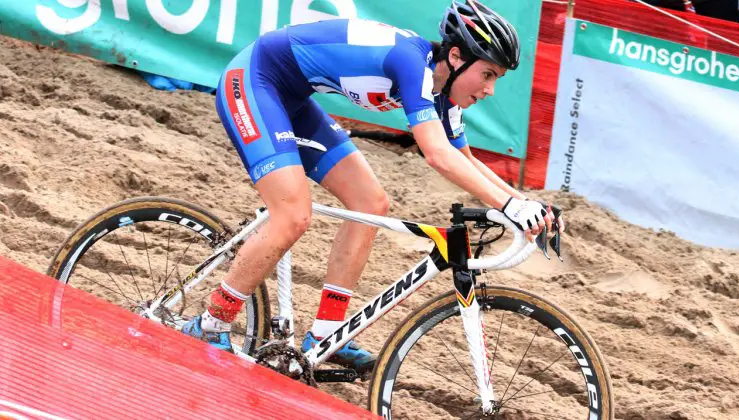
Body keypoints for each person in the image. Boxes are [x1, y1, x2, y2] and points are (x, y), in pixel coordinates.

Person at [182, 0, 563, 374]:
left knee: (371, 202)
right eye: (489, 74)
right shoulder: (411, 62)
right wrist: (511, 208)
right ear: (458, 56)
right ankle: (211, 322)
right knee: (294, 214)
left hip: (293, 100)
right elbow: (436, 154)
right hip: (254, 81)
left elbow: (465, 160)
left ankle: (326, 332)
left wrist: (525, 204)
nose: (490, 90)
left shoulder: (444, 92)